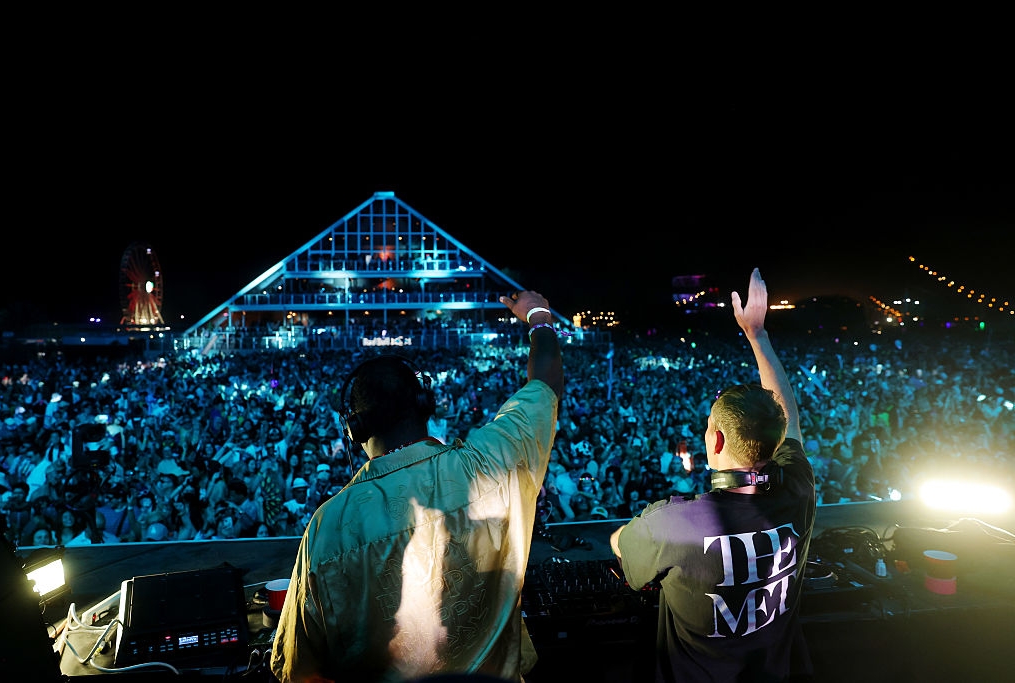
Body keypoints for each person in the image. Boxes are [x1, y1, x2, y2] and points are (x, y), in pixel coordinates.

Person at [271, 290, 564, 683]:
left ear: (353, 429)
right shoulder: (489, 465)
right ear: (427, 403)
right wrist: (538, 316)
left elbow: (298, 668)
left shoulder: (330, 527)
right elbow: (545, 385)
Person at [610, 268, 816, 682]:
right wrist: (758, 336)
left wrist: (629, 532)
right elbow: (789, 421)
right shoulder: (798, 490)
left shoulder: (673, 522)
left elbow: (619, 546)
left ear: (717, 440)